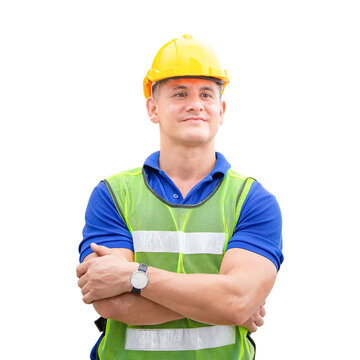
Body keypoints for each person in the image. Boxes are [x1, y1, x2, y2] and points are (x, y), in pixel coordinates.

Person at [77, 34, 283, 360]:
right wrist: (223, 304)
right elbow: (110, 302)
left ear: (221, 109)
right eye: (180, 93)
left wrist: (134, 276)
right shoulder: (113, 195)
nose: (195, 103)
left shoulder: (253, 200)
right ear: (152, 108)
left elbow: (237, 302)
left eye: (206, 94)